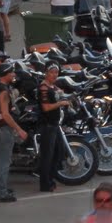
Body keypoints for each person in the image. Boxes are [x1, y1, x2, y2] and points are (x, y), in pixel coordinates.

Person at [0, 62, 28, 202]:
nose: (14, 74)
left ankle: (0, 188)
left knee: (1, 161)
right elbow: (5, 114)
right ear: (5, 74)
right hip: (3, 130)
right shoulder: (3, 91)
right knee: (3, 162)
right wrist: (19, 130)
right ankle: (0, 193)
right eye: (11, 72)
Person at [37, 63, 71, 193]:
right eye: (51, 72)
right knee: (47, 156)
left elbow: (60, 92)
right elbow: (46, 107)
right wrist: (60, 103)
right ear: (46, 73)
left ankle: (51, 179)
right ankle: (45, 184)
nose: (54, 75)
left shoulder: (53, 86)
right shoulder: (43, 88)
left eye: (56, 72)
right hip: (47, 126)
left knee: (58, 153)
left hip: (55, 125)